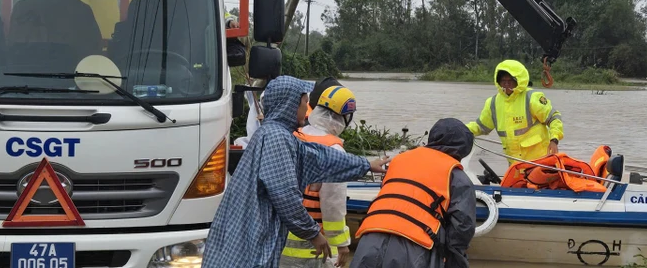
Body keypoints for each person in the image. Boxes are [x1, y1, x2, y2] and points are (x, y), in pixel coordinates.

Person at [202, 76, 390, 268]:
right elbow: (285, 195)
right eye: (304, 102)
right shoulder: (277, 138)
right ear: (289, 105)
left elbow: (319, 157)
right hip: (255, 235)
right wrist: (313, 234)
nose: (307, 108)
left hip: (257, 234)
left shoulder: (275, 133)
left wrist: (365, 165)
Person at [351, 118, 477, 268]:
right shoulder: (456, 176)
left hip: (370, 238)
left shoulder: (399, 160)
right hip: (413, 247)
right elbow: (462, 227)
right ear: (463, 149)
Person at [280, 85, 359, 267]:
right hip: (313, 246)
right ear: (345, 117)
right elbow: (332, 204)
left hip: (281, 239)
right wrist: (342, 244)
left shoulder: (293, 136)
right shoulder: (334, 151)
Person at [465, 59, 564, 164]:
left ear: (518, 81)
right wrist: (458, 130)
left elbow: (554, 118)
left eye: (510, 81)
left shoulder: (532, 98)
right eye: (503, 81)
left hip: (540, 163)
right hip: (515, 167)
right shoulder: (492, 103)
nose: (507, 85)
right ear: (498, 81)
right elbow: (480, 127)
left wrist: (554, 140)